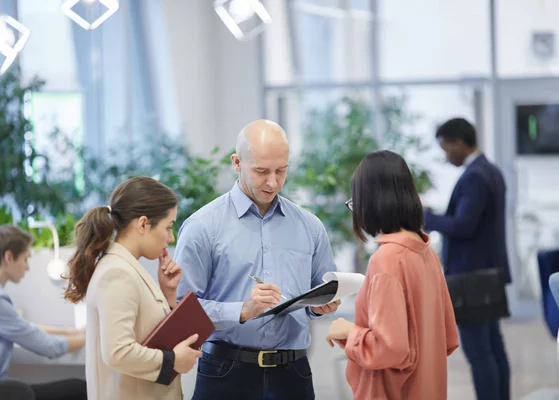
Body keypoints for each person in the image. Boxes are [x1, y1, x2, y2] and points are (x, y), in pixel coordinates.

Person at [175, 119, 341, 400]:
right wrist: (242, 310)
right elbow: (182, 311)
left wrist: (321, 306)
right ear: (237, 163)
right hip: (225, 374)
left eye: (281, 170)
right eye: (262, 171)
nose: (273, 182)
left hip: (294, 375)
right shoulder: (202, 227)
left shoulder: (310, 226)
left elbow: (320, 291)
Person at [325, 150, 459, 400]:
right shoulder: (426, 253)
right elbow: (448, 338)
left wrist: (349, 332)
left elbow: (390, 349)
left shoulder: (386, 260)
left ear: (370, 202)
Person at [64, 177, 202, 400]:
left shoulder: (126, 267)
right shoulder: (117, 273)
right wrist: (173, 361)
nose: (171, 237)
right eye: (168, 227)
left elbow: (146, 333)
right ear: (143, 224)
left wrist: (168, 294)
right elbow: (117, 352)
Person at [423, 118, 511, 400]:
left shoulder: (474, 176)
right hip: (488, 273)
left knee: (479, 352)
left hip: (472, 277)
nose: (446, 155)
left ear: (460, 143)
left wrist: (426, 217)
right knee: (493, 347)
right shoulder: (491, 171)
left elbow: (464, 226)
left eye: (446, 147)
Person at [0, 225, 86, 400]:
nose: (27, 268)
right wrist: (90, 338)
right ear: (9, 257)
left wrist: (70, 332)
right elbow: (48, 347)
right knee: (80, 389)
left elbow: (23, 327)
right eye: (26, 259)